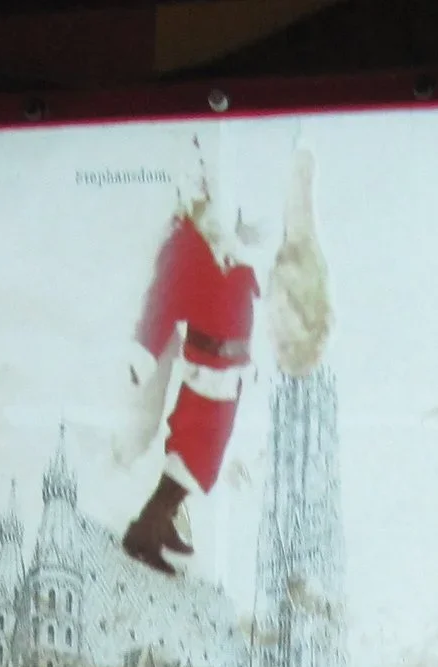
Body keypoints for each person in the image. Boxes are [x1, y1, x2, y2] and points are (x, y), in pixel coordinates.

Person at [120, 147, 328, 574]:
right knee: (192, 453)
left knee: (204, 458)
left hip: (228, 375)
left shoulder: (224, 245)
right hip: (206, 375)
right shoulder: (186, 248)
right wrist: (144, 352)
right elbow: (160, 303)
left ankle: (164, 520)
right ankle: (144, 532)